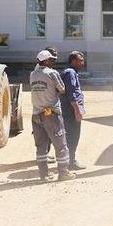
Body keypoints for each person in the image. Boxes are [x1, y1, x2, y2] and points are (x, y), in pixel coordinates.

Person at [30, 49, 76, 182]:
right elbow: (62, 90)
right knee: (61, 144)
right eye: (52, 60)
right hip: (51, 114)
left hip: (36, 114)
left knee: (41, 146)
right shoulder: (52, 73)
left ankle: (43, 175)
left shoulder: (32, 74)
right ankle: (63, 173)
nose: (53, 62)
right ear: (46, 61)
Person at [61, 50, 87, 170]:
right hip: (71, 111)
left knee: (71, 136)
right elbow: (71, 93)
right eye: (80, 60)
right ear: (73, 61)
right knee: (73, 136)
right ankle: (71, 162)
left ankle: (68, 161)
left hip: (70, 110)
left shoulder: (71, 72)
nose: (83, 63)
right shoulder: (70, 73)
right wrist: (77, 110)